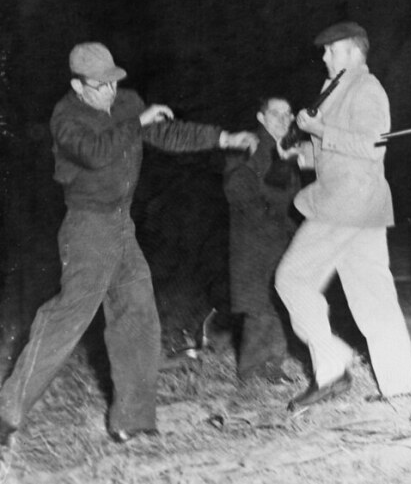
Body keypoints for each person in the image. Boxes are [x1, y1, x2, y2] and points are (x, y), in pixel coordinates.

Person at [0, 42, 257, 447]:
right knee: (67, 318)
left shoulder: (128, 102)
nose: (110, 92)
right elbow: (94, 153)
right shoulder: (66, 117)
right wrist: (137, 123)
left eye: (114, 83)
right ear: (78, 85)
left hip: (122, 225)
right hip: (87, 228)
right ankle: (5, 413)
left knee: (137, 316)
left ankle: (133, 422)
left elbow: (169, 131)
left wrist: (223, 137)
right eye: (100, 86)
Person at [275, 22, 411, 409]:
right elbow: (335, 151)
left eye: (331, 50)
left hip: (346, 204)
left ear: (354, 52)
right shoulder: (335, 87)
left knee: (291, 278)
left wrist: (319, 128)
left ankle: (332, 365)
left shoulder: (367, 88)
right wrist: (302, 154)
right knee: (374, 298)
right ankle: (401, 385)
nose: (324, 57)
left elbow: (373, 146)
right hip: (359, 205)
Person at [223, 96, 301, 384]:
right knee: (257, 305)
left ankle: (273, 365)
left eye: (288, 114)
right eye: (276, 114)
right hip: (253, 238)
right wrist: (269, 216)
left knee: (278, 301)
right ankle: (251, 370)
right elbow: (236, 188)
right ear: (260, 117)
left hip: (281, 236)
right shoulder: (249, 144)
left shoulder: (288, 148)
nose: (284, 120)